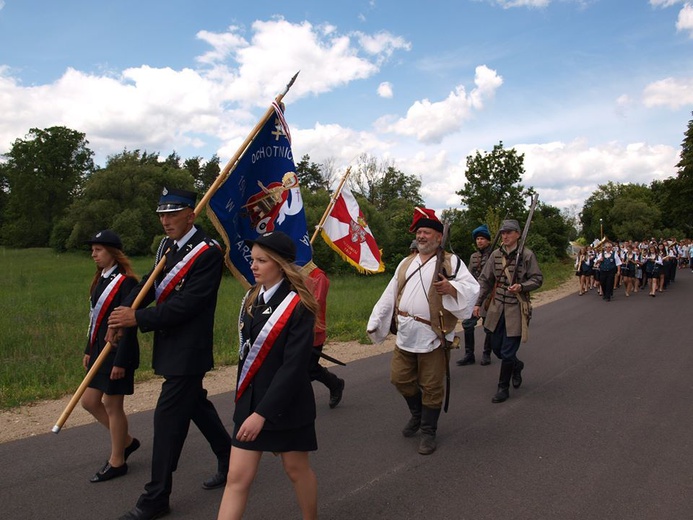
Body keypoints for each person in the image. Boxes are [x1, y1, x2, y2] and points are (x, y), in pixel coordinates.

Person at [108, 188, 232, 520]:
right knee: (196, 406)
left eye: (172, 214)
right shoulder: (167, 246)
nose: (165, 221)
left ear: (191, 215)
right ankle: (229, 456)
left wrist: (138, 318)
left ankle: (156, 497)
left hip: (189, 350)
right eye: (162, 215)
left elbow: (188, 304)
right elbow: (151, 282)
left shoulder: (208, 253)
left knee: (166, 422)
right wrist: (123, 312)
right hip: (169, 345)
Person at [217, 231, 319, 520]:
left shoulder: (299, 305)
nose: (254, 265)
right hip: (250, 403)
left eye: (262, 260)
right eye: (253, 259)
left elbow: (293, 367)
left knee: (296, 470)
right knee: (237, 478)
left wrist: (262, 413)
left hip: (286, 406)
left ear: (280, 264)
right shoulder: (251, 297)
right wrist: (247, 407)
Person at [367, 208, 479, 455]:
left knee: (431, 386)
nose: (422, 236)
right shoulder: (406, 262)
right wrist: (377, 320)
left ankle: (428, 431)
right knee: (400, 378)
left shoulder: (451, 261)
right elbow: (390, 293)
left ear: (439, 237)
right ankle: (417, 414)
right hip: (407, 332)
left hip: (434, 335)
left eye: (427, 232)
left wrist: (451, 288)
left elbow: (471, 288)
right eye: (419, 232)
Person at [81, 229, 140, 483]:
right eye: (93, 250)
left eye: (99, 250)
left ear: (113, 253)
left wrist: (120, 361)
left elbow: (128, 324)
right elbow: (96, 318)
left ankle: (118, 461)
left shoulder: (126, 282)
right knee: (89, 401)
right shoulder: (101, 279)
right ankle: (125, 441)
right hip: (98, 351)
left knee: (112, 405)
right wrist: (87, 349)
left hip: (117, 353)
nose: (94, 254)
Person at [474, 219, 543, 404]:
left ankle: (502, 387)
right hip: (496, 307)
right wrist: (478, 303)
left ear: (518, 234)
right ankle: (516, 365)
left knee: (507, 349)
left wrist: (522, 286)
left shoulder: (527, 255)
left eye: (509, 232)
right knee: (496, 347)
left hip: (516, 307)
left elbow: (537, 279)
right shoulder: (495, 255)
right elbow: (485, 280)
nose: (505, 236)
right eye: (503, 233)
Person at [302, 261, 345, 409]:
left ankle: (335, 384)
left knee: (310, 368)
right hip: (295, 329)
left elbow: (316, 302)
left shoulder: (318, 276)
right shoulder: (293, 273)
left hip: (314, 330)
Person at [457, 224, 493, 366]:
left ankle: (486, 353)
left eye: (482, 239)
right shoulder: (474, 257)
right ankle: (469, 354)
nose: (479, 241)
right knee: (467, 324)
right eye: (477, 239)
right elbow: (469, 275)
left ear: (488, 240)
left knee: (488, 325)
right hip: (475, 294)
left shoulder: (495, 254)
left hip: (490, 295)